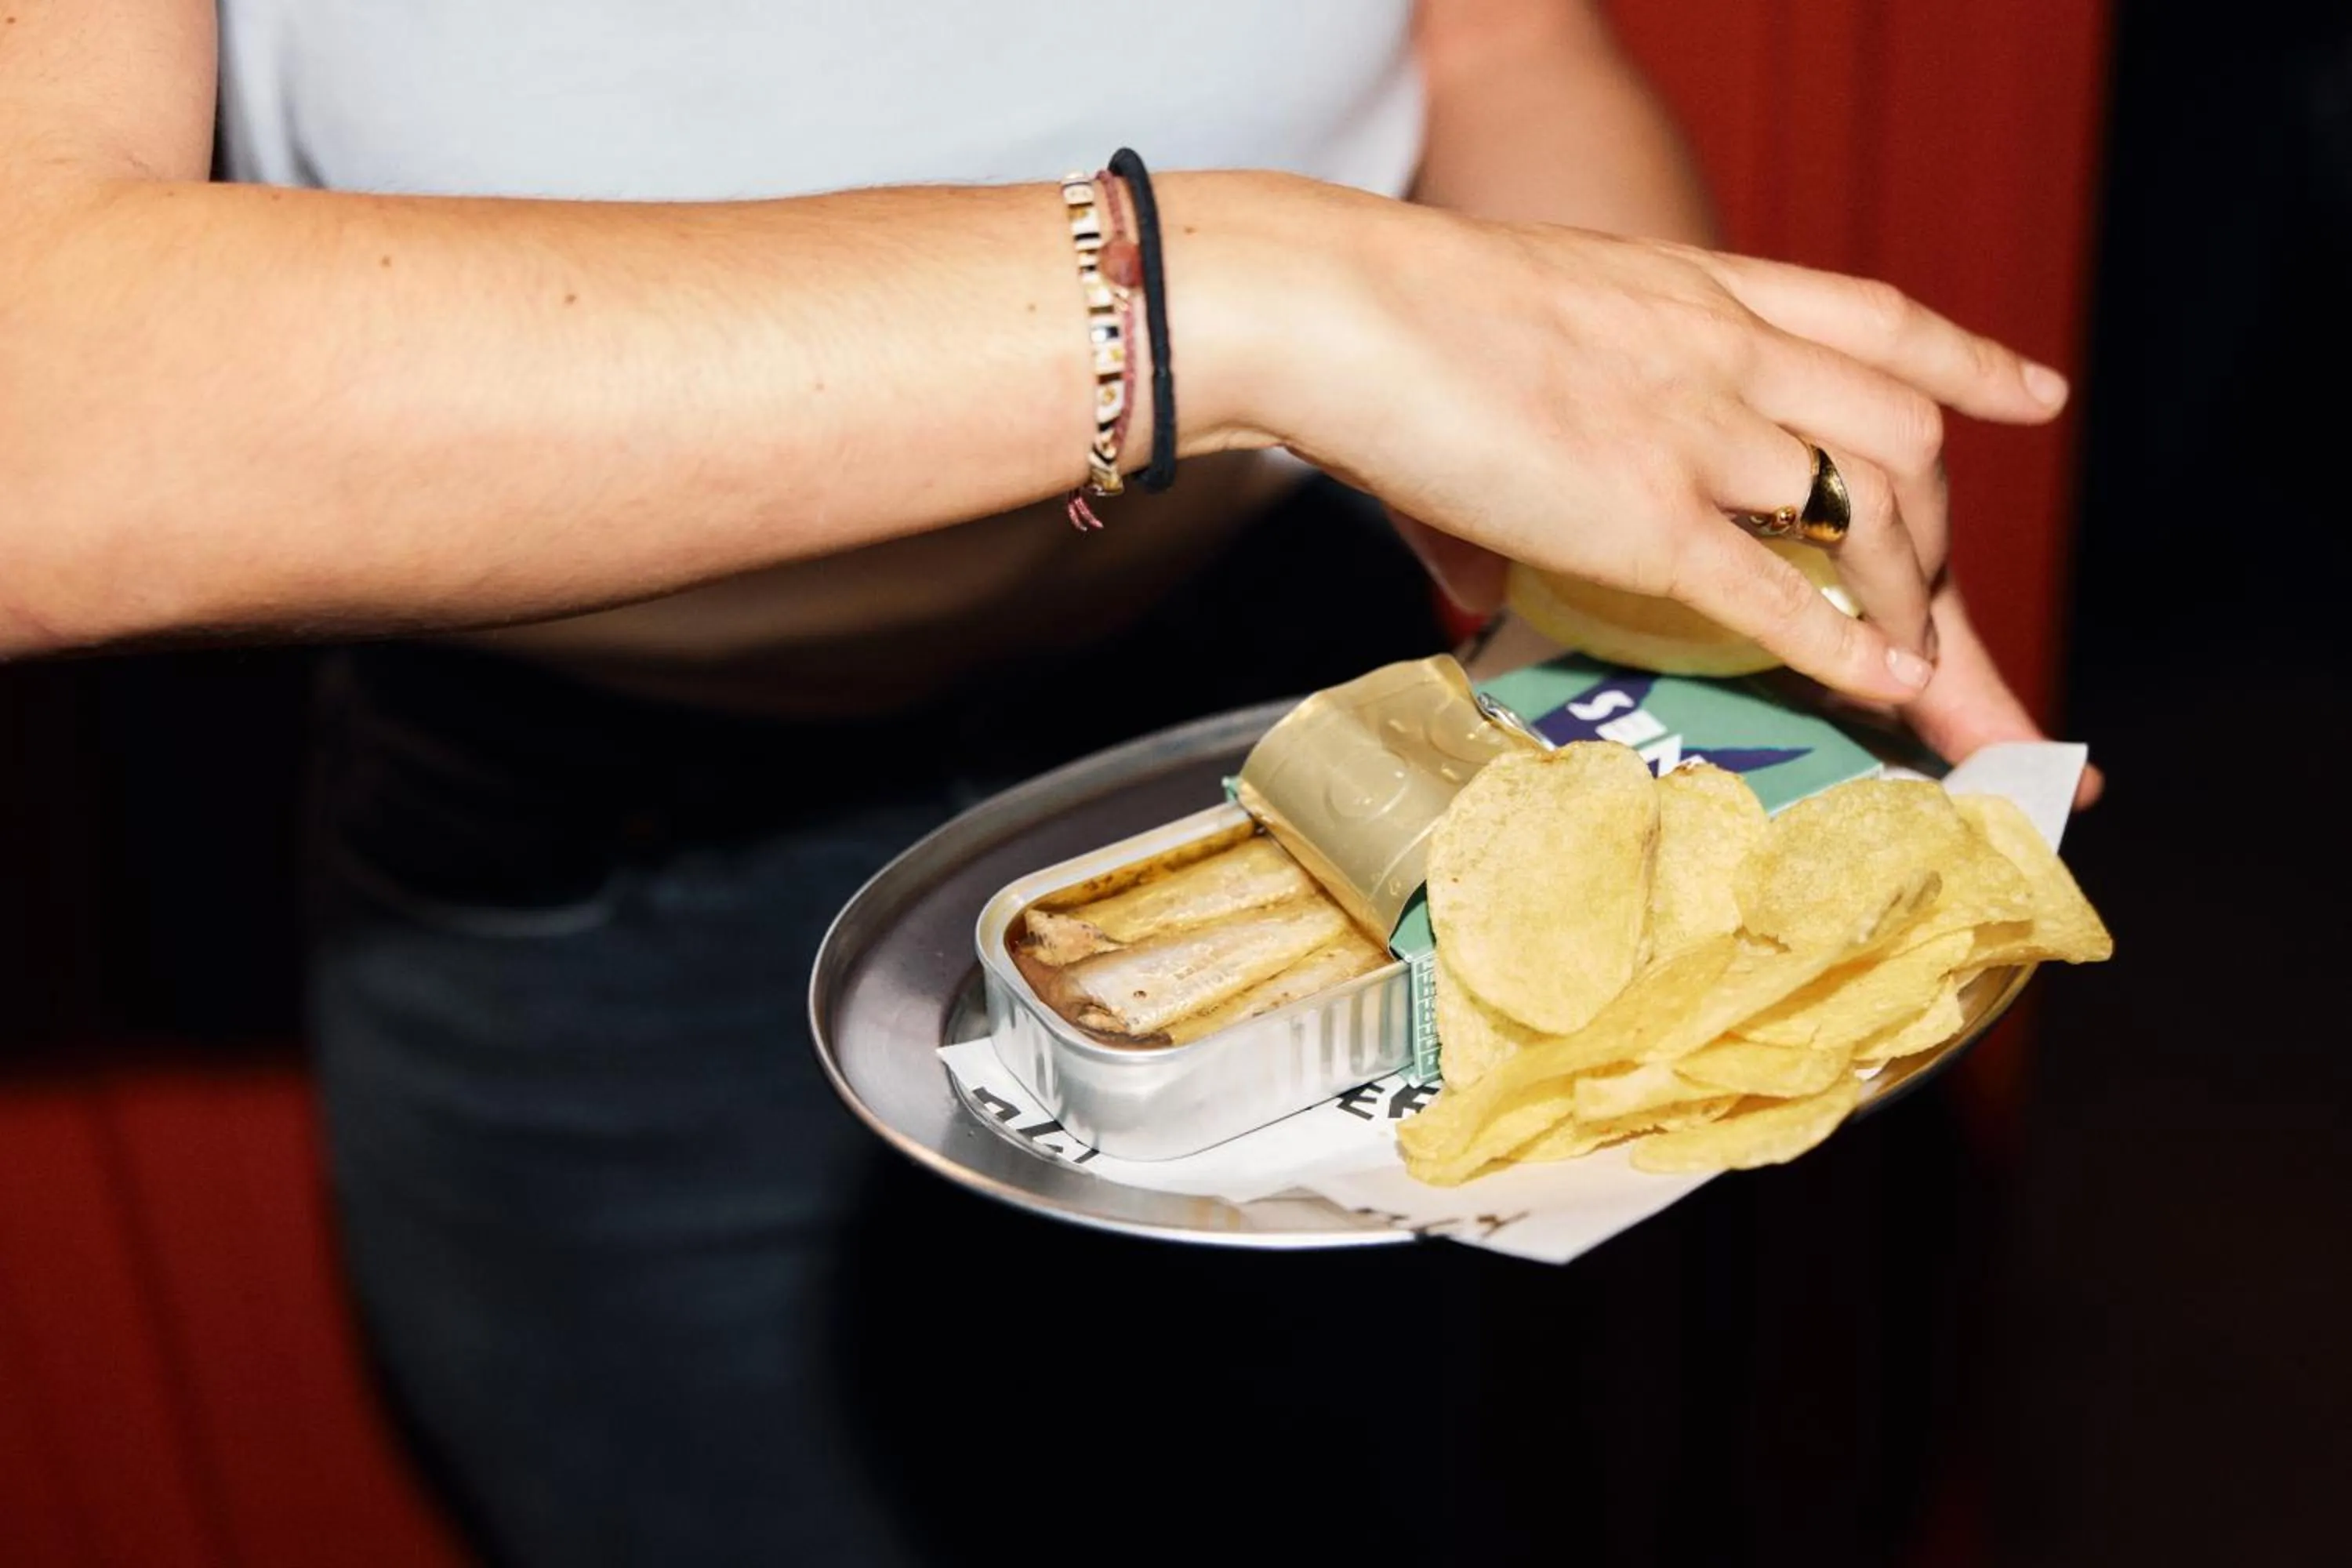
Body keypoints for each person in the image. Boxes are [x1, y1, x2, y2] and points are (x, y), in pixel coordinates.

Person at [0, 2, 2082, 1562]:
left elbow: (1504, 38)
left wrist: (1639, 561)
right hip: (595, 883)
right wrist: (1226, 295)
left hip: (1298, 740)